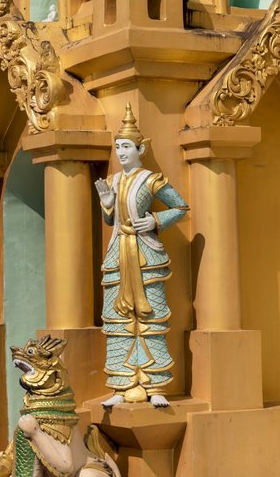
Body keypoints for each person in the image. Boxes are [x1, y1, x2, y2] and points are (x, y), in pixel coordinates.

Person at [95, 104, 188, 408]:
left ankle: (156, 383)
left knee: (152, 318)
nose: (121, 152)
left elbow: (181, 207)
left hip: (146, 254)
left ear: (140, 148)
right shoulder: (112, 181)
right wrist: (107, 204)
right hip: (118, 254)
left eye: (126, 147)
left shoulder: (151, 180)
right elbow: (110, 221)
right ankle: (122, 385)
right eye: (118, 147)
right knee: (117, 321)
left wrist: (157, 221)